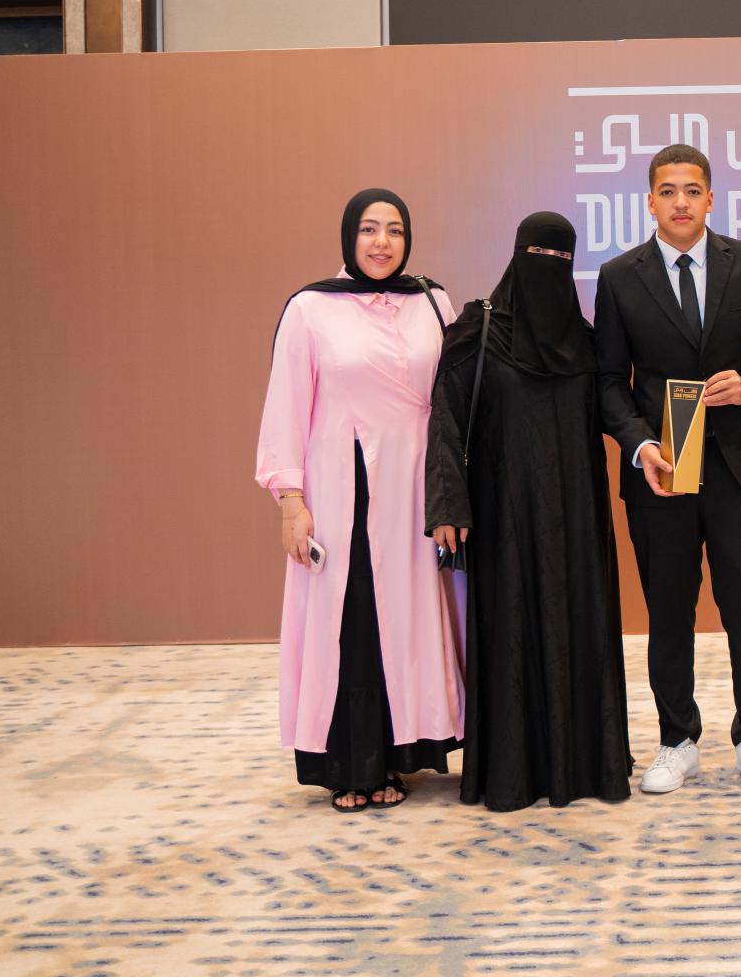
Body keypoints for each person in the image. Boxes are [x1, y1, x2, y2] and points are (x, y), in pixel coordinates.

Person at [594, 144, 741, 793]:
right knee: (668, 611)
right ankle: (676, 740)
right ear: (649, 202)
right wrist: (639, 445)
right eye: (667, 191)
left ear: (710, 199)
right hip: (662, 471)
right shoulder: (619, 277)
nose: (680, 202)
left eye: (691, 191)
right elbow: (608, 382)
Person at [256, 188, 466, 814]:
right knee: (353, 620)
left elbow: (453, 399)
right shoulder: (310, 308)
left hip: (417, 490)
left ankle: (400, 754)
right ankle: (352, 764)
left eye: (394, 230)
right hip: (343, 488)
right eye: (370, 229)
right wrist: (291, 500)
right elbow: (286, 405)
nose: (382, 242)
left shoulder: (433, 302)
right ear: (349, 236)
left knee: (410, 619)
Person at [425, 212, 634, 811]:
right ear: (516, 256)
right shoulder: (477, 331)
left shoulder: (585, 342)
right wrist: (448, 505)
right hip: (503, 515)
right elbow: (445, 420)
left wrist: (650, 443)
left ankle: (585, 765)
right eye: (538, 255)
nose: (549, 269)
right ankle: (512, 772)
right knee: (510, 630)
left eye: (561, 259)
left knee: (580, 626)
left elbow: (613, 409)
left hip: (577, 517)